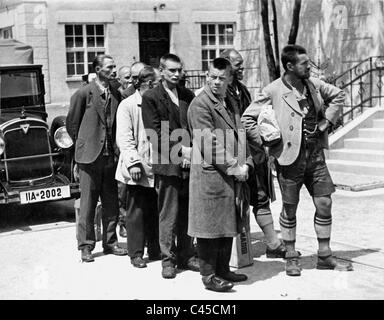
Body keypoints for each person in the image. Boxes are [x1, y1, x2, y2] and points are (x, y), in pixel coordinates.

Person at [242, 44, 353, 276]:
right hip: (288, 160)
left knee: (325, 203)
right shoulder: (273, 90)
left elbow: (339, 95)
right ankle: (291, 256)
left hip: (315, 158)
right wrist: (268, 142)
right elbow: (247, 119)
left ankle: (324, 255)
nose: (309, 67)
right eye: (305, 63)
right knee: (290, 209)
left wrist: (327, 122)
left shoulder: (314, 85)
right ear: (290, 66)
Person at [187, 57, 253, 292]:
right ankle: (209, 276)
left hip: (228, 175)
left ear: (229, 79)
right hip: (211, 175)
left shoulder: (229, 101)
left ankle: (223, 270)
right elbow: (209, 143)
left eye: (221, 78)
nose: (216, 82)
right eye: (212, 77)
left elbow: (239, 134)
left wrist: (246, 162)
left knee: (227, 223)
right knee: (209, 228)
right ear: (206, 76)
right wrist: (236, 167)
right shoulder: (200, 104)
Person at [221, 49, 287, 258]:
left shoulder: (241, 89)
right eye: (237, 64)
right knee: (235, 201)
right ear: (226, 65)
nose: (242, 68)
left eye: (242, 64)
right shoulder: (219, 92)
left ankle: (273, 244)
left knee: (260, 197)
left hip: (253, 152)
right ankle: (234, 251)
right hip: (234, 154)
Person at [141, 53, 199, 279]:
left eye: (179, 70)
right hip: (168, 165)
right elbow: (154, 134)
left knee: (187, 211)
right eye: (172, 71)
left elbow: (195, 127)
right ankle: (168, 259)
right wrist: (181, 151)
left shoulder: (187, 95)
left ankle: (186, 254)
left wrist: (193, 152)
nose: (176, 74)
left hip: (190, 164)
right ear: (161, 71)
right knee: (169, 214)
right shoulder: (151, 97)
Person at [66, 54, 128, 262]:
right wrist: (84, 144)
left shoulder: (116, 95)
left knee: (111, 202)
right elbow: (72, 124)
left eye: (114, 66)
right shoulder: (83, 94)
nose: (113, 70)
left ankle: (110, 242)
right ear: (98, 69)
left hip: (111, 158)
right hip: (89, 158)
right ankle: (86, 246)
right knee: (88, 203)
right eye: (109, 67)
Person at [115, 66, 161, 268]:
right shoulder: (127, 105)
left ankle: (155, 249)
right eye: (158, 83)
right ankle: (135, 253)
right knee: (136, 211)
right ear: (149, 84)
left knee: (155, 209)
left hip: (156, 165)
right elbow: (124, 138)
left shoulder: (157, 103)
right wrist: (133, 162)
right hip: (137, 167)